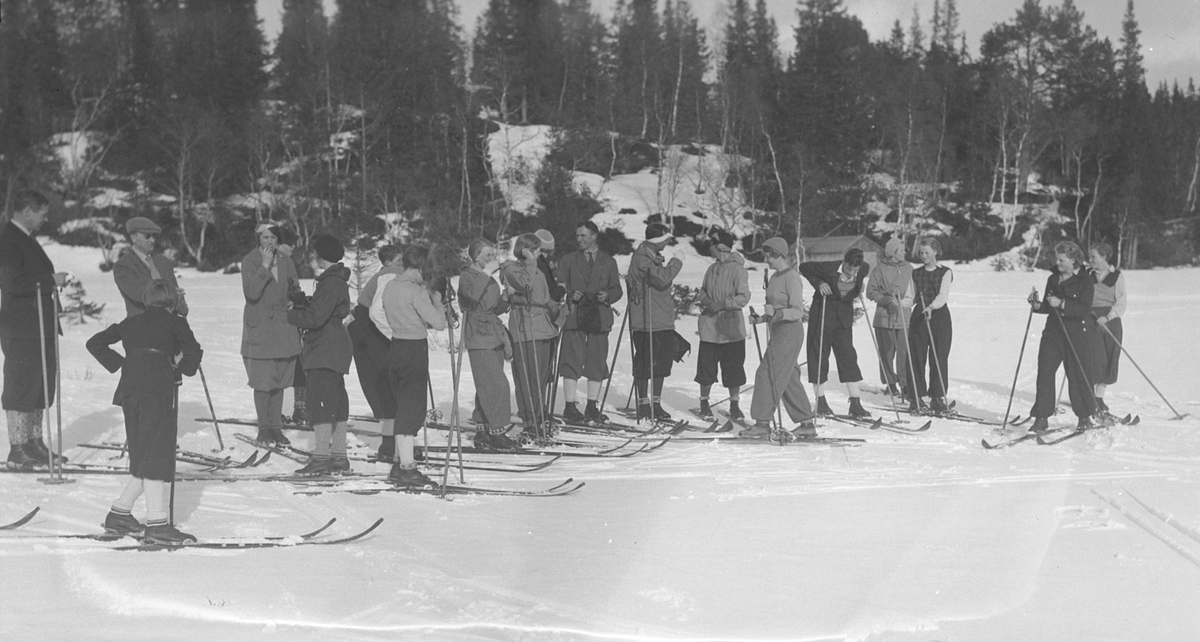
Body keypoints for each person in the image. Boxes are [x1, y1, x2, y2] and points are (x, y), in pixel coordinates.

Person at [87, 279, 203, 545]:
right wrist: (181, 367)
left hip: (129, 390)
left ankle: (120, 513)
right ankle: (158, 524)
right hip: (156, 389)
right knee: (156, 453)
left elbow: (94, 343)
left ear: (147, 299)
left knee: (144, 452)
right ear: (172, 300)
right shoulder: (176, 322)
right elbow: (192, 353)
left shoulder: (131, 322)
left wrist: (123, 363)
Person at [0, 190, 69, 469]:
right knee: (21, 384)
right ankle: (18, 447)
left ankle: (34, 443)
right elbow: (12, 283)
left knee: (41, 384)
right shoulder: (8, 239)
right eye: (42, 212)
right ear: (27, 211)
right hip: (22, 326)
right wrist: (51, 279)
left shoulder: (26, 239)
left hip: (39, 324)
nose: (45, 218)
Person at [380, 245, 447, 487]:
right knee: (412, 409)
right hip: (414, 350)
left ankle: (399, 464)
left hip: (396, 346)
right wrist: (438, 302)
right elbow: (439, 323)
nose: (425, 276)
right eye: (425, 272)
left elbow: (383, 314)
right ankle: (408, 468)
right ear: (418, 268)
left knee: (403, 406)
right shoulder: (416, 292)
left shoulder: (389, 286)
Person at [287, 234, 353, 476]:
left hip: (325, 347)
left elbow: (316, 318)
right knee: (335, 402)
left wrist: (292, 315)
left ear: (320, 256)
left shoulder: (331, 282)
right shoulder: (336, 281)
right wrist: (303, 302)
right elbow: (322, 310)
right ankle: (338, 457)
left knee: (321, 403)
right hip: (334, 346)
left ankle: (322, 458)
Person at [742, 237, 819, 439]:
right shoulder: (775, 278)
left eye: (768, 253)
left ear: (778, 253)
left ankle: (762, 423)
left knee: (766, 373)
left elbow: (797, 311)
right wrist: (760, 318)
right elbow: (774, 310)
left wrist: (776, 314)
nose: (765, 257)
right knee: (789, 378)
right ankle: (806, 424)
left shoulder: (792, 277)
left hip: (790, 332)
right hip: (778, 331)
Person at [240, 222, 302, 446]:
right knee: (263, 381)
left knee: (279, 381)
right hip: (261, 329)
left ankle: (276, 428)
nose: (270, 242)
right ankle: (264, 429)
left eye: (273, 237)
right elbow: (251, 293)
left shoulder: (286, 260)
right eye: (265, 237)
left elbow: (295, 288)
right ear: (258, 238)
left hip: (284, 327)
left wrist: (295, 302)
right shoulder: (250, 261)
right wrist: (264, 266)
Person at [1027, 241, 1099, 432]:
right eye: (1056, 259)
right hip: (1053, 333)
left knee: (1077, 375)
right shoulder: (1053, 279)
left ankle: (1084, 417)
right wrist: (1036, 305)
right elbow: (1047, 307)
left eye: (1061, 259)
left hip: (1076, 334)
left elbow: (1084, 310)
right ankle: (1041, 417)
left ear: (1074, 259)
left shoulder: (1085, 281)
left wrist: (1062, 303)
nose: (1057, 263)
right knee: (1045, 372)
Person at [556, 221, 623, 424]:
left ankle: (592, 407)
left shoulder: (609, 261)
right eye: (577, 236)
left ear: (594, 236)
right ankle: (569, 407)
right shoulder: (568, 260)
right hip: (575, 315)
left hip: (600, 316)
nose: (579, 239)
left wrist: (608, 295)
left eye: (584, 236)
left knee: (597, 361)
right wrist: (569, 294)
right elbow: (559, 289)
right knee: (571, 359)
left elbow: (617, 289)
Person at [459, 239, 520, 450]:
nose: (491, 259)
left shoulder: (487, 277)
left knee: (486, 385)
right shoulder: (467, 276)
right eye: (487, 255)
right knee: (498, 385)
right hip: (478, 335)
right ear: (475, 256)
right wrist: (488, 273)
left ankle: (483, 431)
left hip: (492, 334)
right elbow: (473, 296)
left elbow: (494, 309)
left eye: (492, 254)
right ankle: (498, 432)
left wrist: (504, 298)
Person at [799, 247, 870, 418]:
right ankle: (821, 402)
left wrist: (859, 285)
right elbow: (804, 268)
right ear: (843, 262)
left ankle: (855, 403)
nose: (852, 272)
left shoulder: (863, 268)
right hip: (823, 316)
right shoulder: (829, 268)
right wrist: (819, 283)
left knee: (848, 358)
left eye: (855, 270)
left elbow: (860, 276)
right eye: (848, 268)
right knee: (819, 357)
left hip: (843, 320)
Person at [500, 233, 559, 436]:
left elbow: (543, 295)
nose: (538, 254)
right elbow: (524, 284)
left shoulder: (536, 270)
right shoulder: (511, 268)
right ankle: (529, 419)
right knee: (528, 377)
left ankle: (539, 414)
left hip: (543, 327)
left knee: (541, 377)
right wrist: (531, 261)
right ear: (525, 249)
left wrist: (556, 307)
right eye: (534, 250)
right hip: (526, 328)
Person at [348, 244, 403, 461]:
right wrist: (397, 336)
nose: (403, 265)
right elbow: (378, 312)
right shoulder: (389, 275)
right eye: (400, 261)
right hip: (369, 334)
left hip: (370, 332)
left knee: (385, 388)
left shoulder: (390, 275)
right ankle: (389, 446)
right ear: (388, 263)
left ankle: (394, 444)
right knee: (383, 388)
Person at [627, 222, 684, 421]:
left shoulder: (649, 257)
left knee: (661, 364)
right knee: (646, 363)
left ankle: (656, 404)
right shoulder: (642, 260)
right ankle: (643, 404)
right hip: (647, 320)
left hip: (659, 318)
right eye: (665, 238)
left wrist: (661, 261)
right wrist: (676, 261)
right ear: (657, 240)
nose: (668, 241)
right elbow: (661, 278)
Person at [694, 229, 749, 421]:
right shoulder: (711, 269)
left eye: (712, 244)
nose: (709, 247)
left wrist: (722, 304)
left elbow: (743, 298)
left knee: (734, 369)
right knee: (706, 368)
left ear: (720, 247)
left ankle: (735, 405)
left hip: (731, 329)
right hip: (710, 327)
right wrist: (707, 301)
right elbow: (702, 290)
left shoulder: (738, 270)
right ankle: (704, 403)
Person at [906, 237, 953, 413]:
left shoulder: (945, 272)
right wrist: (901, 304)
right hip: (920, 315)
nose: (923, 256)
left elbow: (943, 295)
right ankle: (915, 397)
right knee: (917, 356)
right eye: (921, 252)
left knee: (939, 356)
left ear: (935, 252)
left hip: (939, 316)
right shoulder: (916, 273)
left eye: (926, 252)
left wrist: (931, 307)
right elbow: (911, 296)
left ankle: (937, 397)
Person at [865, 236, 913, 398]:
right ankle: (891, 384)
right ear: (892, 252)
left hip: (904, 316)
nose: (905, 252)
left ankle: (905, 384)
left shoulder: (908, 268)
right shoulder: (880, 269)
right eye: (902, 250)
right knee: (887, 353)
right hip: (884, 317)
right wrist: (886, 299)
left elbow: (913, 290)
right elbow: (870, 292)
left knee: (904, 352)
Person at [113, 216, 189, 318]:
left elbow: (177, 293)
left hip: (170, 326)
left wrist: (182, 308)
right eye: (147, 236)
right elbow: (137, 294)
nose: (152, 240)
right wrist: (170, 293)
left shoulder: (164, 262)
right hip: (141, 326)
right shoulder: (123, 265)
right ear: (133, 238)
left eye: (154, 236)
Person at [1089, 243, 1126, 421]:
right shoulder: (1088, 275)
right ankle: (1089, 398)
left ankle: (1099, 398)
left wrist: (1109, 316)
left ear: (1104, 258)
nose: (1090, 261)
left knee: (1111, 359)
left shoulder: (1116, 276)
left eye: (1093, 257)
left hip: (1110, 321)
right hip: (1092, 320)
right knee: (1096, 358)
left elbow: (1121, 301)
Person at [534, 228, 566, 303]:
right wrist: (562, 288)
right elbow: (551, 296)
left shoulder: (526, 262)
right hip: (540, 312)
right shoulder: (540, 266)